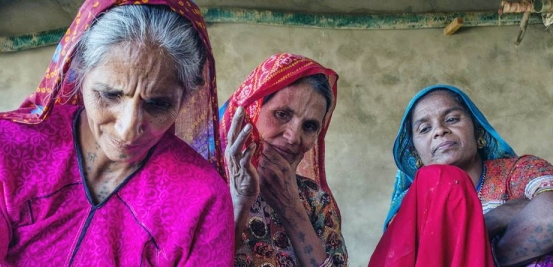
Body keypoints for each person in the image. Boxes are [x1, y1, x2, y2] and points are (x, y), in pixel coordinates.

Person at [0, 0, 234, 266]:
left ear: (186, 98)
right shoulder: (4, 148)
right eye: (110, 94)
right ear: (77, 71)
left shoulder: (201, 199)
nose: (127, 129)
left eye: (158, 104)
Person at [370, 85, 553, 267]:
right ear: (416, 154)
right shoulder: (411, 209)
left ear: (478, 131)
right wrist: (496, 218)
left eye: (452, 119)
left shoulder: (520, 170)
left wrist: (482, 257)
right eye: (425, 129)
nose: (440, 130)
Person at [220, 53, 348, 267]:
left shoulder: (314, 199)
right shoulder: (207, 186)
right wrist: (240, 203)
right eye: (281, 114)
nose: (293, 137)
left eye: (309, 126)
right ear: (253, 111)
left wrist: (291, 208)